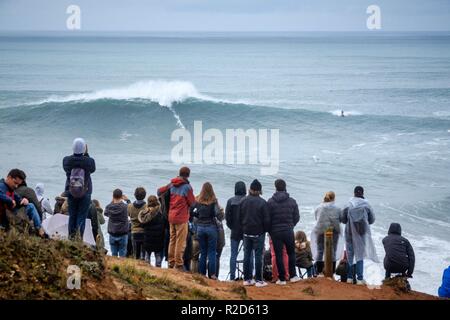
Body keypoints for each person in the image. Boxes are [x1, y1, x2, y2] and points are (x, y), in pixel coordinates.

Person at [157, 167, 195, 271]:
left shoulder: (172, 184)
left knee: (172, 239)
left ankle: (171, 262)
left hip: (171, 216)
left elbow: (159, 191)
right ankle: (178, 264)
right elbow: (192, 203)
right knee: (180, 241)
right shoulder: (187, 187)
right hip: (181, 218)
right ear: (188, 175)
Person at [341, 186, 378, 285]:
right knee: (359, 255)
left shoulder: (348, 204)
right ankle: (360, 279)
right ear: (362, 193)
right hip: (361, 233)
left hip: (349, 233)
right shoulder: (367, 205)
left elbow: (343, 218)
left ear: (354, 193)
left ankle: (349, 278)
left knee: (350, 254)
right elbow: (372, 220)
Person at [267, 179, 300, 285]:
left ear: (275, 187)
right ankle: (293, 275)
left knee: (278, 255)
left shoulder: (270, 202)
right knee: (291, 253)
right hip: (288, 230)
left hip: (275, 232)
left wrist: (271, 230)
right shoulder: (292, 201)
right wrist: (291, 225)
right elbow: (296, 217)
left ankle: (281, 279)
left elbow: (267, 219)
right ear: (285, 187)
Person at [239, 179, 270, 287]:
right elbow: (267, 220)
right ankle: (258, 280)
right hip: (258, 233)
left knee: (247, 255)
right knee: (258, 256)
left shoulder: (243, 201)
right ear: (260, 191)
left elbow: (239, 217)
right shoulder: (263, 203)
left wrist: (243, 228)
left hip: (246, 232)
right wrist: (265, 230)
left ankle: (247, 279)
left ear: (250, 189)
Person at [63, 138, 96, 239]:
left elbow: (65, 169)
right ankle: (78, 239)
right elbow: (93, 169)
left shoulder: (66, 160)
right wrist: (86, 154)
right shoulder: (89, 161)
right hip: (85, 192)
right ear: (84, 148)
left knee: (72, 215)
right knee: (81, 216)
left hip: (71, 191)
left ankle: (71, 238)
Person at [190, 182, 221, 279]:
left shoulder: (197, 199)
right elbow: (217, 214)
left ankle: (202, 274)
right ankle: (212, 275)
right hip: (211, 228)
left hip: (200, 228)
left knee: (203, 252)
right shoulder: (213, 200)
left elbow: (190, 210)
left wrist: (197, 216)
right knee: (212, 252)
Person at [0, 169, 44, 236]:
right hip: (3, 218)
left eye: (18, 184)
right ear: (9, 177)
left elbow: (18, 199)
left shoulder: (12, 190)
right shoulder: (2, 186)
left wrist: (23, 200)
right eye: (15, 183)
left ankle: (39, 229)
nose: (16, 186)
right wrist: (9, 200)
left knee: (30, 205)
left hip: (11, 216)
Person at [312, 191, 343, 276]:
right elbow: (341, 219)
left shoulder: (318, 207)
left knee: (320, 251)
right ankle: (331, 272)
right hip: (334, 232)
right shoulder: (337, 208)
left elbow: (316, 218)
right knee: (333, 251)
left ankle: (319, 272)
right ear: (334, 198)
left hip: (320, 230)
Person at [225, 181, 249, 281]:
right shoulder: (248, 200)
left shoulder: (231, 201)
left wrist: (232, 227)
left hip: (235, 230)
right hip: (246, 230)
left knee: (233, 254)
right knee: (248, 254)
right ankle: (248, 276)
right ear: (244, 189)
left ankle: (232, 277)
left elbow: (227, 218)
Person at [138, 195, 165, 267]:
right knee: (158, 256)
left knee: (147, 256)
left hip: (147, 240)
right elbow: (164, 226)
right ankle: (158, 268)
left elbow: (142, 224)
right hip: (158, 240)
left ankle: (148, 271)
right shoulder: (161, 214)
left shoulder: (146, 214)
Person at [104, 189, 130, 257]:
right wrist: (127, 200)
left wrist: (112, 201)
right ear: (121, 197)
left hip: (112, 233)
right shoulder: (125, 207)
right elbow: (131, 208)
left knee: (114, 254)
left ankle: (114, 267)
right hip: (123, 234)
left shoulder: (109, 207)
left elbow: (105, 213)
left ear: (113, 196)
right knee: (122, 255)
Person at [128, 187, 147, 260]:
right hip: (144, 231)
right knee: (143, 255)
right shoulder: (147, 207)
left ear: (134, 195)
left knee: (135, 254)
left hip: (134, 231)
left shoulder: (130, 206)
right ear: (145, 195)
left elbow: (129, 215)